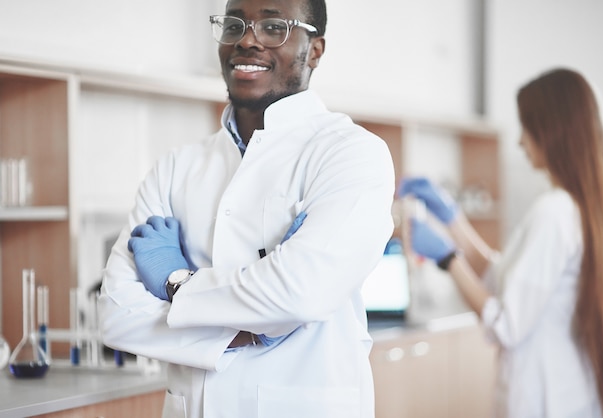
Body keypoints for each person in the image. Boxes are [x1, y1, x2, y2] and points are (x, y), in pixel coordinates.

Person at [97, 0, 395, 417]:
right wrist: (257, 328)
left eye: (274, 26)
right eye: (234, 25)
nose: (248, 40)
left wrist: (175, 282)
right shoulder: (176, 167)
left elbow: (300, 293)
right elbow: (116, 314)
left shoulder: (351, 154)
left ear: (315, 50)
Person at [399, 68, 603, 418]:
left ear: (552, 131)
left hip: (547, 400)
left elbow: (505, 323)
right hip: (569, 395)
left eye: (526, 128)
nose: (521, 142)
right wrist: (452, 218)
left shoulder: (555, 211)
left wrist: (448, 258)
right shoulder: (577, 208)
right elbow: (503, 276)